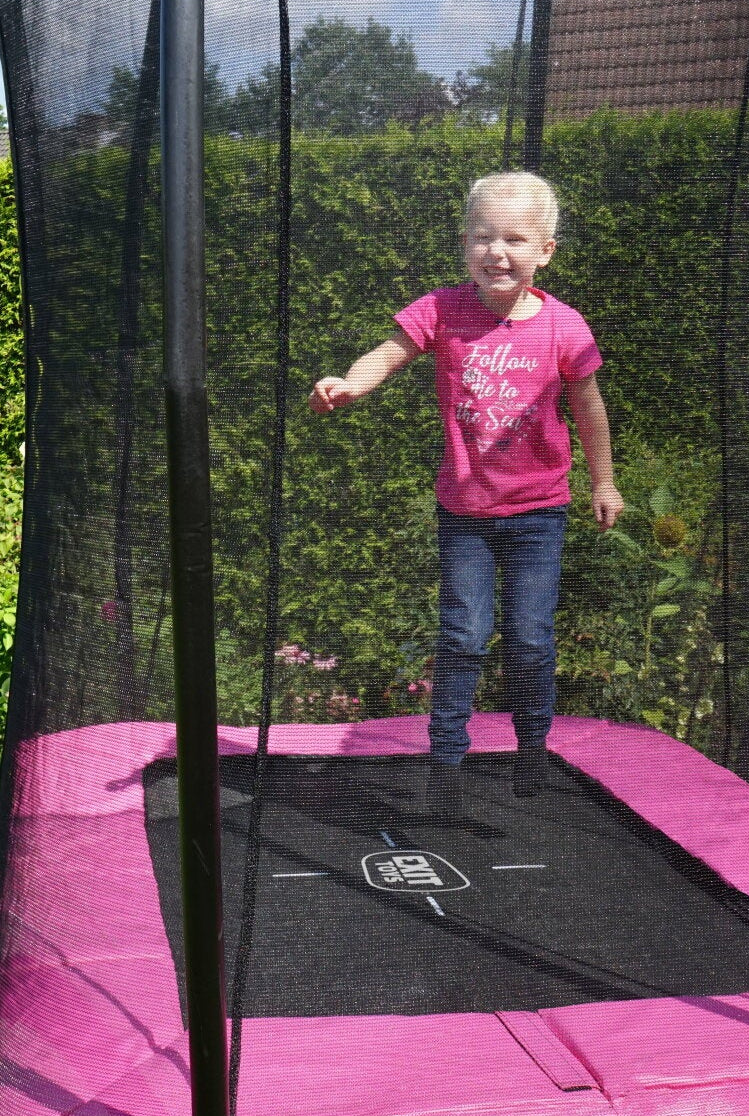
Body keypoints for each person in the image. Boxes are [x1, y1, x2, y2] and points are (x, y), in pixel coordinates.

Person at [310, 171, 623, 816]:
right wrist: (350, 382)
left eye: (514, 239)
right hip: (466, 514)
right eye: (483, 236)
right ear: (465, 245)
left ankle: (532, 748)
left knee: (532, 638)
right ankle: (446, 762)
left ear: (545, 253)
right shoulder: (444, 310)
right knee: (463, 634)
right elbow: (390, 351)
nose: (496, 251)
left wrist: (604, 480)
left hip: (540, 513)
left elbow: (589, 410)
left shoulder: (565, 327)